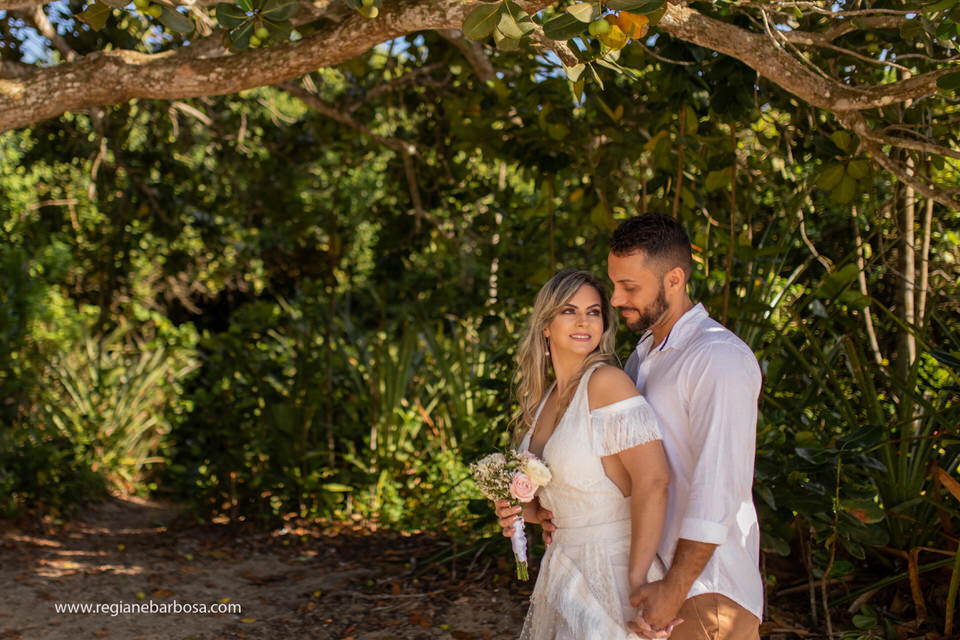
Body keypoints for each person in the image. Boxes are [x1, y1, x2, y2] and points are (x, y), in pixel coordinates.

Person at [498, 214, 764, 640]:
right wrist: (548, 510)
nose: (617, 298)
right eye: (614, 285)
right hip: (648, 580)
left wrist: (672, 585)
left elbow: (720, 486)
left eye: (630, 287)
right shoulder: (644, 357)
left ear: (674, 279)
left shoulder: (717, 358)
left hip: (704, 586)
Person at [496, 268, 673, 639]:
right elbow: (559, 494)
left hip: (614, 569)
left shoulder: (607, 383)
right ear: (545, 325)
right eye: (568, 311)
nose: (583, 321)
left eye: (593, 312)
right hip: (562, 571)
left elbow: (653, 480)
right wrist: (522, 510)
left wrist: (638, 580)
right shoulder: (540, 402)